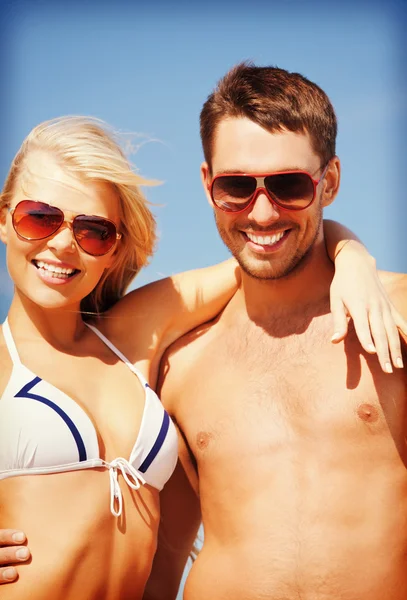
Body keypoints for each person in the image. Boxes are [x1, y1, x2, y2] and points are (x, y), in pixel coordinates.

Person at [0, 111, 403, 598]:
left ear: (115, 247)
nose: (63, 244)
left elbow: (264, 253)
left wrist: (352, 257)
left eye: (93, 231)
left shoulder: (133, 336)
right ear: (5, 219)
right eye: (37, 218)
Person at [139, 63, 407, 600]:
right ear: (207, 182)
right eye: (236, 186)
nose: (262, 213)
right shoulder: (181, 359)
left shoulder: (395, 316)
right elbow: (163, 558)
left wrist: (351, 252)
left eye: (288, 185)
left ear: (328, 181)